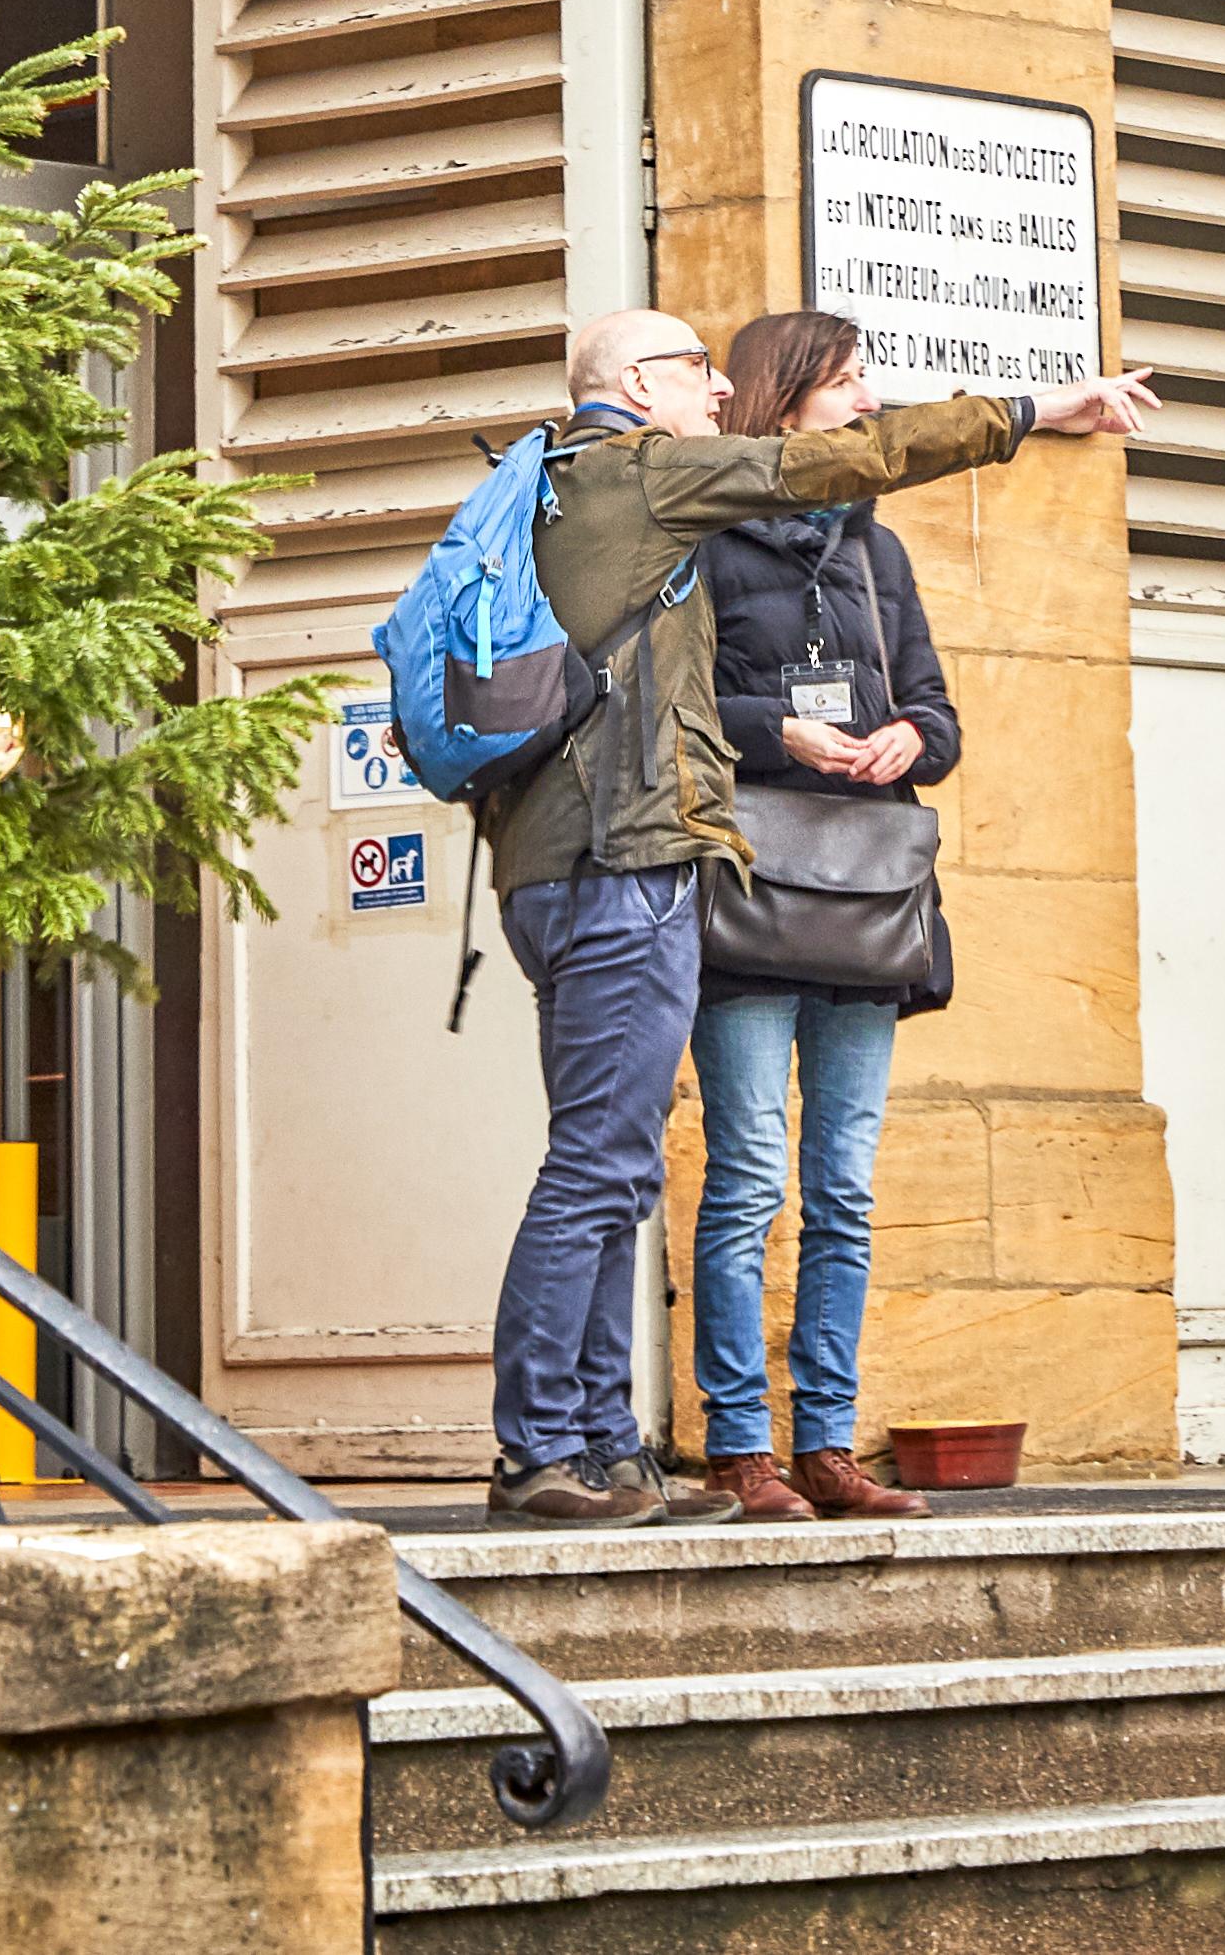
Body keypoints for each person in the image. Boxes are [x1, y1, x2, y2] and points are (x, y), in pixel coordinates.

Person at [480, 305, 1150, 1524]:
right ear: (637, 383)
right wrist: (1036, 408)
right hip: (620, 860)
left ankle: (597, 1444)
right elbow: (834, 460)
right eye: (696, 371)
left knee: (621, 1167)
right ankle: (547, 1451)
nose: (718, 393)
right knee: (603, 1170)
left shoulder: (553, 484)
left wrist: (894, 736)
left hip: (578, 858)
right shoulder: (640, 473)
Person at [687, 306, 962, 1520]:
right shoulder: (699, 534)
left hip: (863, 899)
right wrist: (774, 730)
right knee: (748, 1174)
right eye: (847, 379)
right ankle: (739, 1442)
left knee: (843, 1185)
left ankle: (826, 1442)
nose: (865, 397)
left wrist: (913, 736)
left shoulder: (873, 548)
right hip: (750, 888)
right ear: (784, 394)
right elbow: (677, 705)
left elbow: (940, 715)